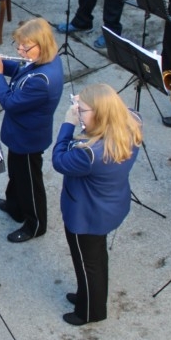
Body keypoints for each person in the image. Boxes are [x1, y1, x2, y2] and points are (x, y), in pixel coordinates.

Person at [52, 84, 142, 326]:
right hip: (110, 206)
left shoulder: (89, 153)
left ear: (100, 114)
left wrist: (68, 124)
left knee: (87, 263)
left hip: (85, 215)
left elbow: (59, 160)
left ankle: (90, 311)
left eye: (82, 110)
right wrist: (90, 102)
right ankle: (89, 295)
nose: (77, 113)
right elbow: (122, 109)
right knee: (97, 258)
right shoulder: (131, 124)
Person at [0, 18, 63, 242]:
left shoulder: (42, 80)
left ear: (41, 45)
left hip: (28, 138)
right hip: (20, 134)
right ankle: (15, 207)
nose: (19, 51)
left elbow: (9, 102)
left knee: (29, 183)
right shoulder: (41, 58)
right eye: (18, 45)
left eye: (24, 47)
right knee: (16, 174)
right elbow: (20, 68)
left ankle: (35, 224)